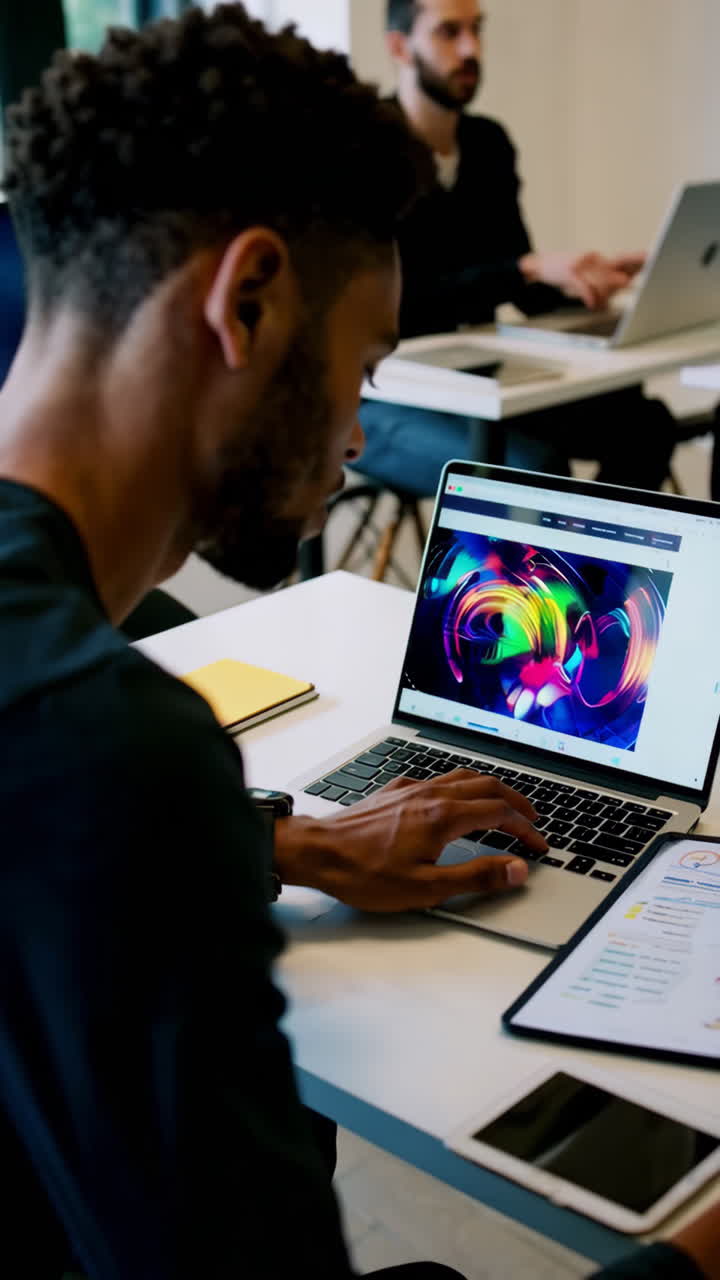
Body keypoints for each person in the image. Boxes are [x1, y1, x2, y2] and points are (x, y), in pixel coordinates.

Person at [0, 5, 716, 1277]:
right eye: (366, 363)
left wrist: (278, 840)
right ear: (252, 299)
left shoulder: (74, 712)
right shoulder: (116, 750)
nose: (357, 433)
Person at [354, 0, 679, 495]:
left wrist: (589, 281)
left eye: (476, 30)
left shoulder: (487, 144)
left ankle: (590, 572)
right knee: (534, 470)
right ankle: (558, 569)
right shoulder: (366, 149)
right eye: (449, 32)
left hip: (479, 379)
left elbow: (519, 283)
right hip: (383, 394)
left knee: (646, 424)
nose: (471, 48)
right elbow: (396, 305)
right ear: (399, 47)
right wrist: (526, 269)